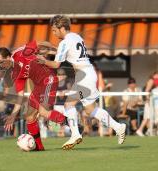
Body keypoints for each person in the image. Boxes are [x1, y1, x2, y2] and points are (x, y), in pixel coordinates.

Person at [37, 15, 126, 148]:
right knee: (90, 109)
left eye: (55, 30)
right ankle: (118, 127)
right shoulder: (77, 36)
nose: (54, 33)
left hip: (84, 75)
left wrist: (43, 61)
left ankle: (75, 134)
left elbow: (56, 65)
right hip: (89, 73)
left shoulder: (64, 42)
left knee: (68, 104)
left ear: (61, 28)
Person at [0, 42, 68, 151]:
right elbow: (20, 96)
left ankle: (70, 123)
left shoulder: (21, 53)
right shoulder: (14, 73)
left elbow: (40, 42)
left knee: (43, 112)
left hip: (49, 78)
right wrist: (13, 115)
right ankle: (39, 147)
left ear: (8, 57)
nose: (0, 66)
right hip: (38, 85)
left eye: (1, 62)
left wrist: (55, 49)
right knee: (29, 117)